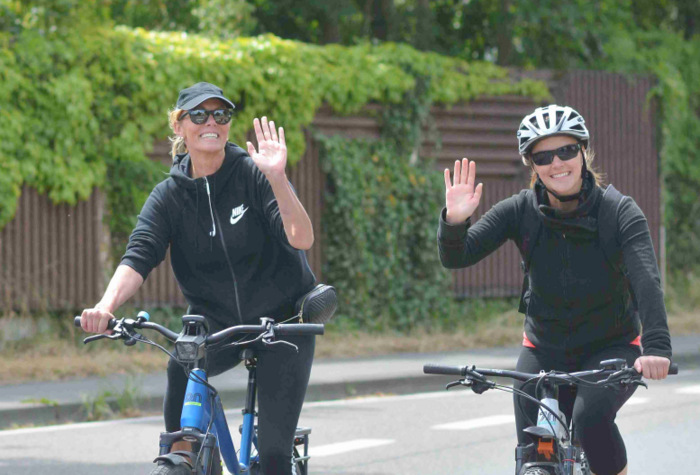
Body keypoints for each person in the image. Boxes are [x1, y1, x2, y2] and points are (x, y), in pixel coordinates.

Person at [79, 82, 317, 474]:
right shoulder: (168, 197)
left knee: (274, 458)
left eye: (220, 114)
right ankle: (189, 460)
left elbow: (302, 238)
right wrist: (105, 307)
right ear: (179, 125)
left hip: (282, 324)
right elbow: (138, 257)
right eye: (199, 114)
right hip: (217, 324)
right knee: (180, 369)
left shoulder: (254, 176)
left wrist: (278, 178)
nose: (212, 122)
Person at [437, 104, 672, 475]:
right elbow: (458, 256)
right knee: (534, 451)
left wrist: (657, 348)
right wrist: (454, 221)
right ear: (532, 166)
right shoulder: (521, 210)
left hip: (610, 349)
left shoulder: (619, 212)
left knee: (590, 419)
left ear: (583, 152)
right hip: (543, 348)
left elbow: (646, 280)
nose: (557, 163)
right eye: (544, 156)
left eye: (566, 151)